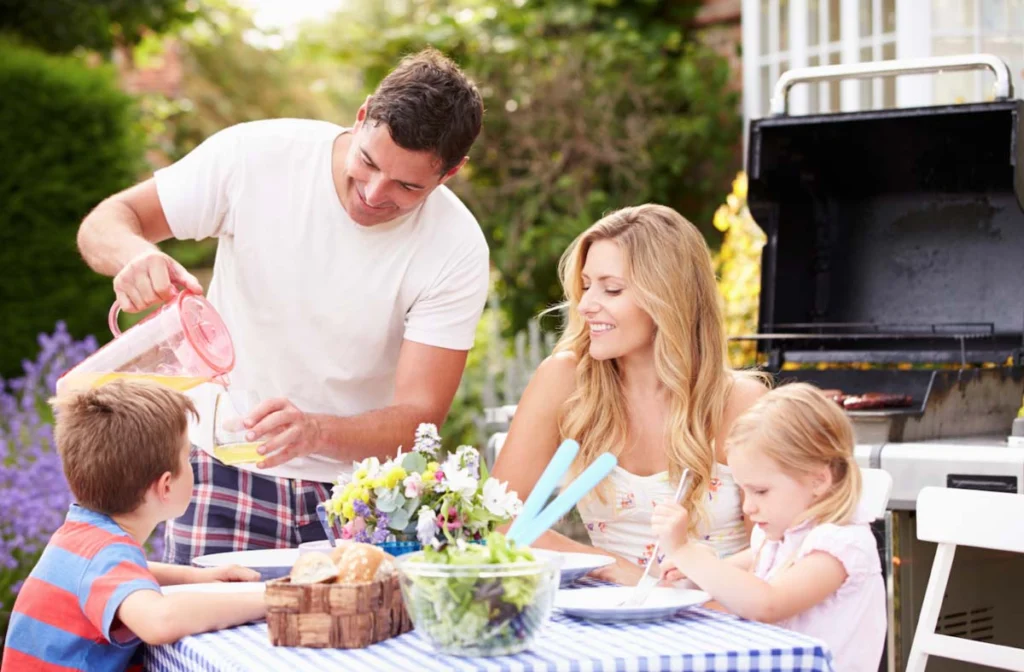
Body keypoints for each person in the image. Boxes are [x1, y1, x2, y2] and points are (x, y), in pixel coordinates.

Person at [75, 48, 490, 564]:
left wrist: (317, 431)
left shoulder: (456, 247)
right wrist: (134, 256)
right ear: (361, 117)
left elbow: (419, 419)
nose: (374, 193)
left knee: (351, 641)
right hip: (223, 471)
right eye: (368, 162)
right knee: (205, 640)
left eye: (408, 186)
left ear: (451, 173)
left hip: (360, 498)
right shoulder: (257, 157)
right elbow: (106, 222)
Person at [492, 203, 767, 585]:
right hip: (612, 619)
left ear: (667, 298)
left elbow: (778, 551)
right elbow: (497, 522)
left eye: (612, 288)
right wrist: (615, 568)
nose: (586, 304)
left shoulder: (741, 403)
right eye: (586, 285)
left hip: (724, 617)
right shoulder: (566, 381)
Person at [1, 381, 264, 672]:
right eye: (188, 457)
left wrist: (195, 576)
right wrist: (272, 601)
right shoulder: (106, 554)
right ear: (165, 486)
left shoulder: (81, 537)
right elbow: (160, 620)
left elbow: (122, 571)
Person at [652, 383, 886, 672]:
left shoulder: (839, 546)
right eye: (743, 491)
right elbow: (732, 575)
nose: (748, 506)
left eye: (760, 491)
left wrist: (687, 552)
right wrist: (695, 571)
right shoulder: (779, 534)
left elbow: (767, 604)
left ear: (818, 481)